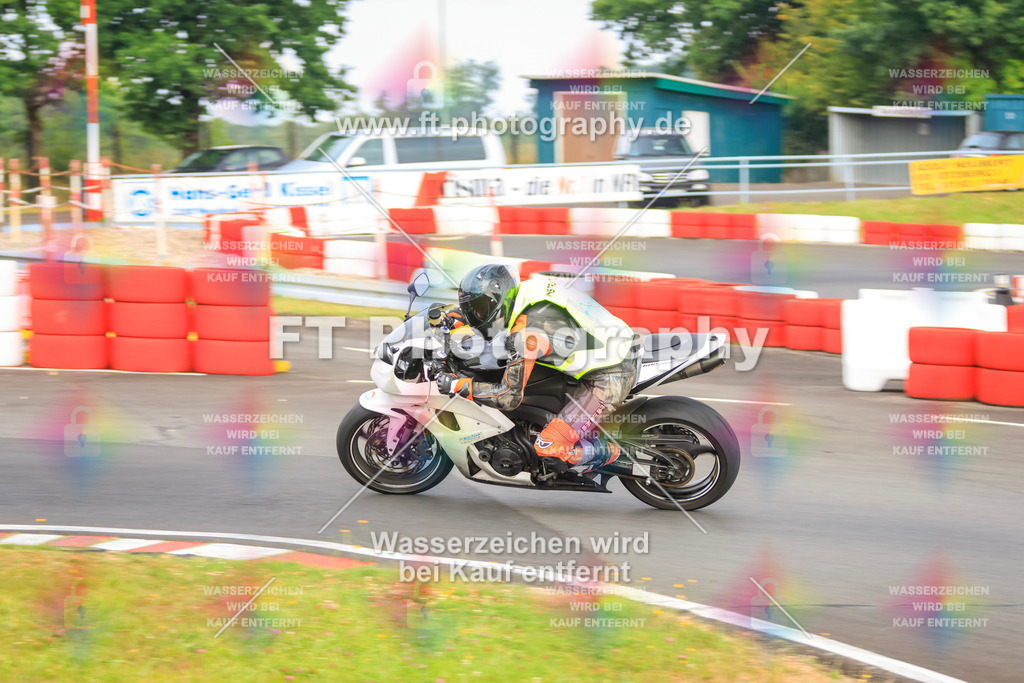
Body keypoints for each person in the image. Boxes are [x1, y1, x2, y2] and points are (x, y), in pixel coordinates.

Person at [434, 264, 638, 474]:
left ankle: (615, 453)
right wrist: (459, 316)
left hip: (610, 374)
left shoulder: (527, 335)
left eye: (480, 309)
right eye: (473, 308)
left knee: (549, 448)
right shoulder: (525, 293)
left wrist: (458, 385)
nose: (476, 314)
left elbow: (508, 397)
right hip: (609, 341)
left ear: (498, 301)